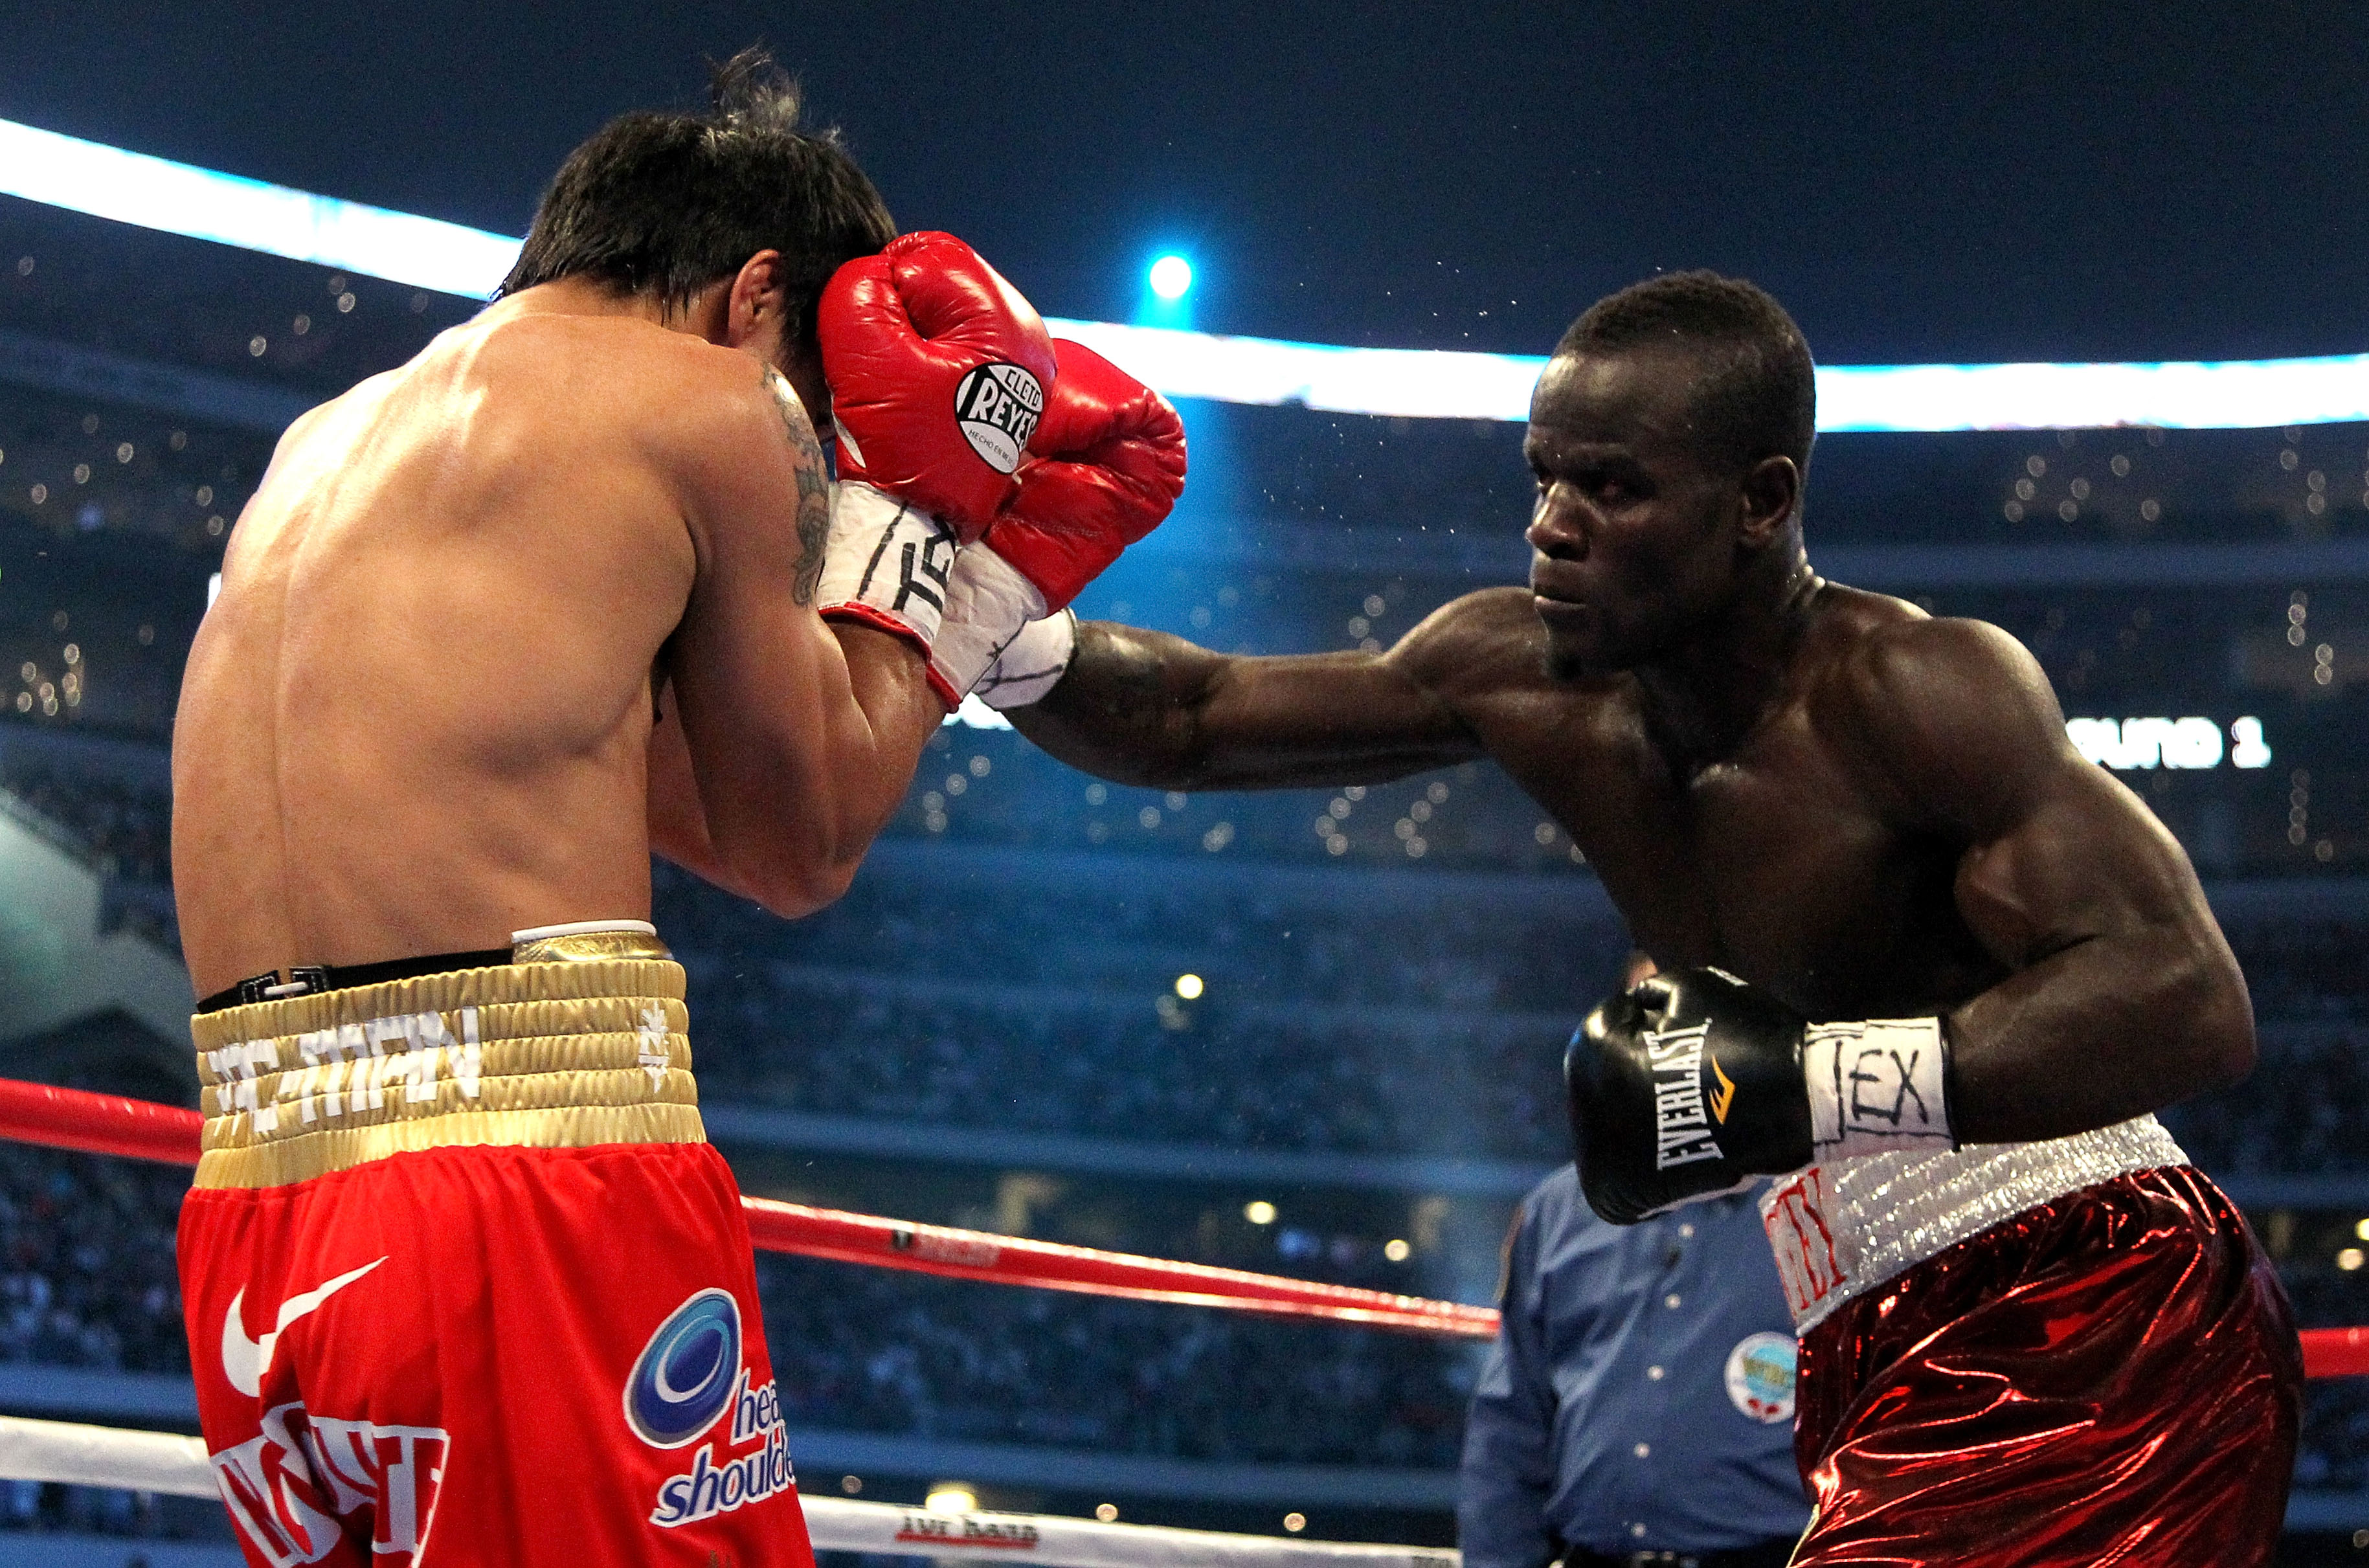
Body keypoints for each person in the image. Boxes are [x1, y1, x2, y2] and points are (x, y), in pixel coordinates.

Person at [992, 271, 2300, 1564]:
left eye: (1609, 486)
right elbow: (1197, 716)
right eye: (1543, 476)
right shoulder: (1522, 673)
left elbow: (2186, 996)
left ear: (1759, 503)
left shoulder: (1910, 687)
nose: (1551, 526)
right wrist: (1000, 634)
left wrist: (1804, 1082)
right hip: (1863, 1318)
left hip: (2095, 1306)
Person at [168, 52, 1182, 1568]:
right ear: (756, 298)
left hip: (258, 1214)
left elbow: (694, 808)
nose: (816, 451)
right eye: (825, 416)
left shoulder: (322, 449)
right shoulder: (710, 400)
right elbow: (801, 844)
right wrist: (956, 552)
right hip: (521, 1200)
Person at [1461, 1161, 1808, 1568]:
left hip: (1775, 1555)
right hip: (1596, 1556)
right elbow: (1512, 1422)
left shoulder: (1822, 1202)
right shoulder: (1560, 1207)